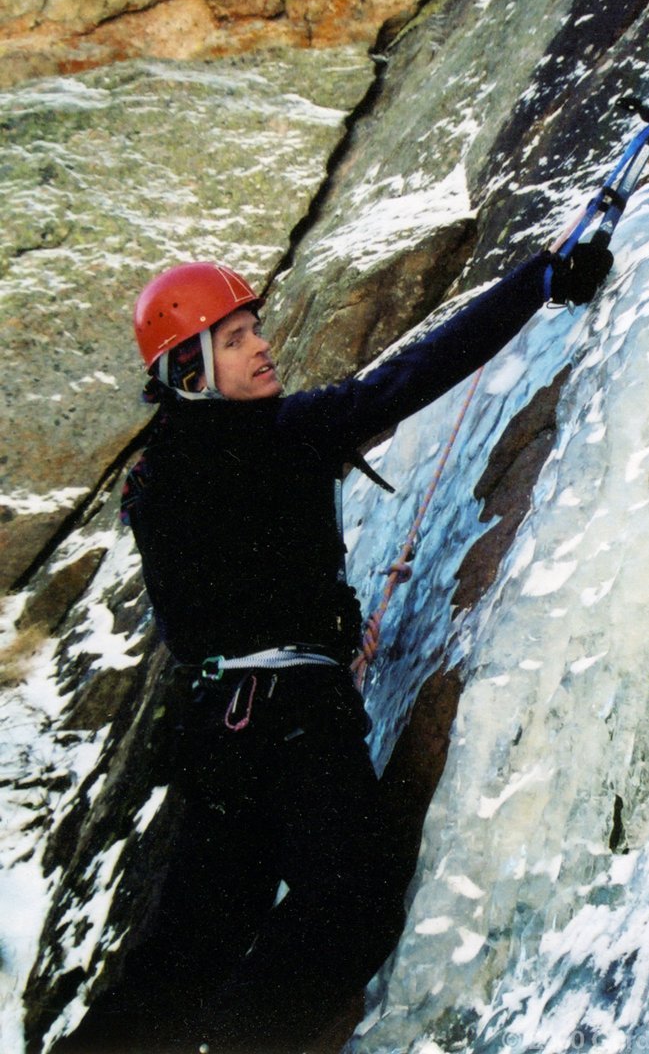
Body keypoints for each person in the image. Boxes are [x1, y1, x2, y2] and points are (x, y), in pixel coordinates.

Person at [54, 239, 612, 1054]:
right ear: (190, 371)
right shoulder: (274, 434)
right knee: (349, 902)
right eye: (236, 338)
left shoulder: (155, 474)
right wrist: (538, 280)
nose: (261, 346)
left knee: (189, 947)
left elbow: (227, 574)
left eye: (254, 328)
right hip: (293, 724)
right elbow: (410, 377)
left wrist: (322, 621)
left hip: (217, 730)